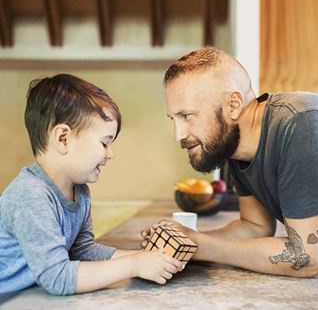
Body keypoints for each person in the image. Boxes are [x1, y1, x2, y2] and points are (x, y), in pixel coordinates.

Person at [141, 47, 318, 277]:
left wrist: (200, 247)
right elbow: (255, 227)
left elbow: (310, 258)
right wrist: (184, 241)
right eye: (174, 118)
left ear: (233, 105)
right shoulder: (234, 147)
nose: (178, 135)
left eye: (187, 116)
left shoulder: (306, 126)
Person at [0, 74, 184, 296]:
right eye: (105, 142)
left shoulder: (80, 191)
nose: (110, 154)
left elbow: (82, 251)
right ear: (63, 139)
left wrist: (149, 258)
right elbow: (57, 277)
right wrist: (134, 265)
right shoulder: (30, 195)